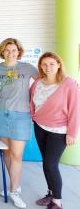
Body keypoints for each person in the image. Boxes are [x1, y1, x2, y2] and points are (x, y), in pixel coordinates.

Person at [0, 38, 38, 208]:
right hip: (1, 113)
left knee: (17, 155)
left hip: (21, 116)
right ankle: (13, 186)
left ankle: (15, 191)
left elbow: (43, 82)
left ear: (19, 51)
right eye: (7, 50)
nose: (11, 53)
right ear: (2, 51)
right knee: (7, 154)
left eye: (14, 50)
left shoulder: (28, 68)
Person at [29, 52, 79, 209]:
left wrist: (72, 132)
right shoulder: (37, 82)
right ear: (40, 67)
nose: (48, 67)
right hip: (40, 126)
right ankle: (50, 192)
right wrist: (33, 116)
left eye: (51, 64)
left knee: (51, 165)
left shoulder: (69, 83)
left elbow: (75, 109)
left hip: (59, 130)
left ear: (59, 65)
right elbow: (32, 102)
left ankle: (57, 201)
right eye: (44, 64)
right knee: (46, 164)